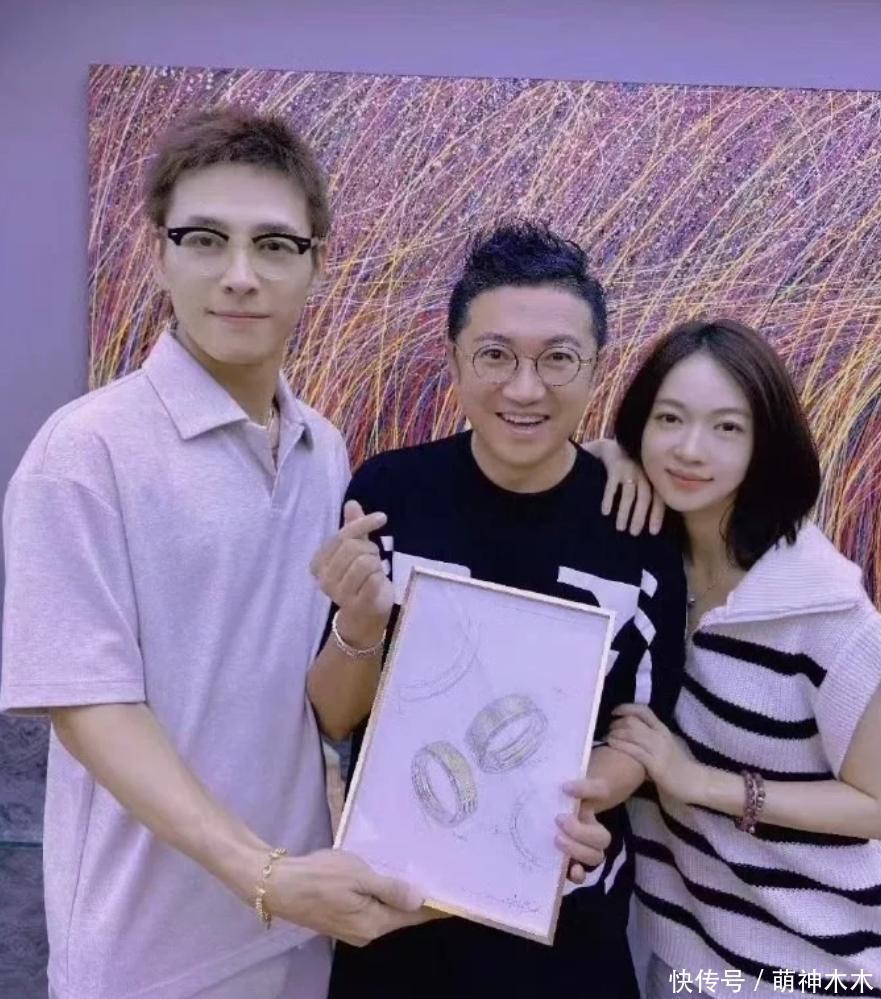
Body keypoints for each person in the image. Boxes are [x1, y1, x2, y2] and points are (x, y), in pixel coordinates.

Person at [0, 107, 430, 999]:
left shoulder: (323, 448)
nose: (239, 275)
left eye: (274, 245)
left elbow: (314, 704)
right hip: (148, 956)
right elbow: (90, 707)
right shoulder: (85, 451)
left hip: (298, 929)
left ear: (315, 264)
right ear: (158, 252)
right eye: (204, 239)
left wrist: (356, 630)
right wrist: (262, 874)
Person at [307, 220, 687, 998]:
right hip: (395, 923)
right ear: (454, 360)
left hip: (567, 929)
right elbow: (335, 714)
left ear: (595, 368)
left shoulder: (638, 522)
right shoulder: (387, 494)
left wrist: (585, 797)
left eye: (557, 358)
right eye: (495, 355)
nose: (524, 388)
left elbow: (642, 730)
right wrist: (360, 623)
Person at [605, 318, 881, 995]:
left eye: (726, 427)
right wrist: (603, 457)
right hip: (685, 952)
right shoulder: (645, 561)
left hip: (811, 968)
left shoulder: (825, 611)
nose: (689, 449)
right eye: (669, 419)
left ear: (766, 446)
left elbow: (875, 805)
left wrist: (700, 783)